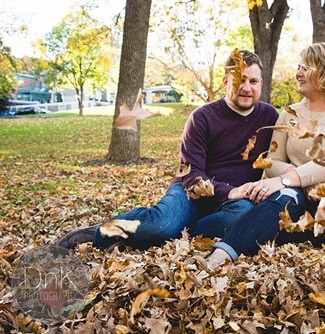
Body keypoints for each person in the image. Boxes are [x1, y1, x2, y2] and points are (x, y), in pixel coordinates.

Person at [56, 50, 279, 251]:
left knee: (245, 216)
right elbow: (190, 174)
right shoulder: (202, 117)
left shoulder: (270, 118)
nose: (246, 88)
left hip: (232, 203)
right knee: (161, 226)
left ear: (261, 84)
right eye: (240, 80)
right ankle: (101, 231)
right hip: (190, 193)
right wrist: (230, 191)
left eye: (253, 81)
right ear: (225, 81)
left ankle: (179, 228)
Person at [205, 43, 325, 268]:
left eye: (305, 67)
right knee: (285, 199)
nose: (298, 73)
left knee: (280, 220)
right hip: (294, 197)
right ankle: (221, 255)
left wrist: (288, 179)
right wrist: (296, 180)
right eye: (298, 66)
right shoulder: (289, 114)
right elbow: (272, 161)